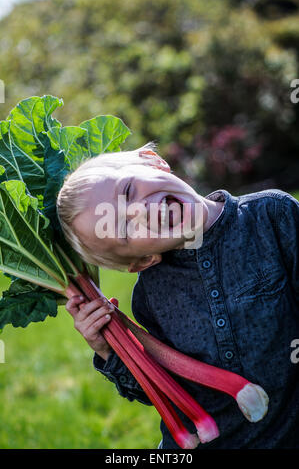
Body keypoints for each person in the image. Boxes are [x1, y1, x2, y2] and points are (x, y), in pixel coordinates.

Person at [57, 143, 299, 449]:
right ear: (143, 261)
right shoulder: (150, 297)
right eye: (125, 228)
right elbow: (166, 391)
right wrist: (108, 351)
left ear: (154, 161)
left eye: (128, 190)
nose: (141, 211)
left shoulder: (271, 217)